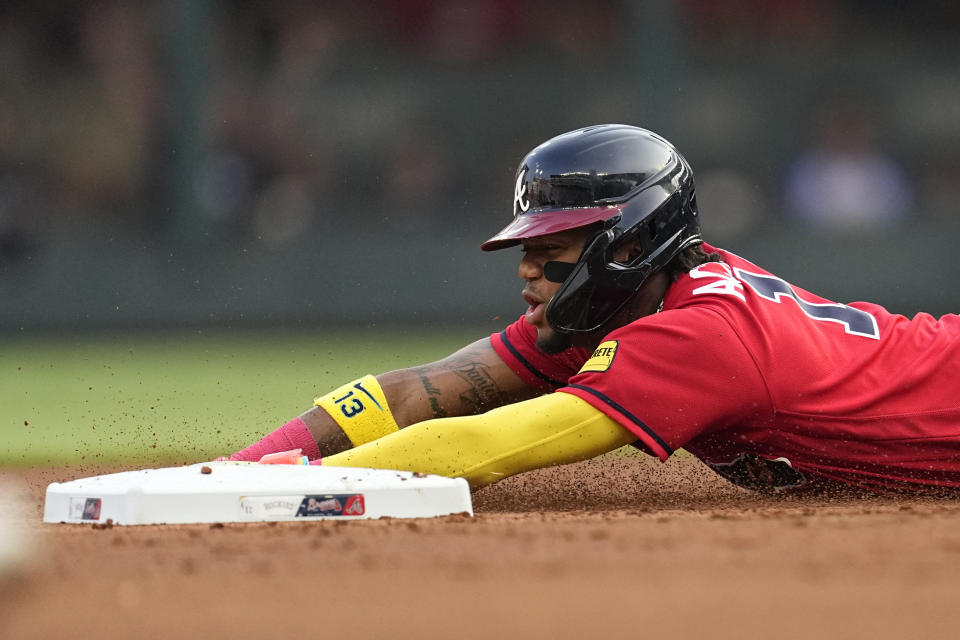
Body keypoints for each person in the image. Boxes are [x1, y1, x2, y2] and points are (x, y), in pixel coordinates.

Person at [221, 124, 960, 495]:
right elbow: (420, 392)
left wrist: (305, 485)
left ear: (631, 242)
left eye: (553, 249)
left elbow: (492, 444)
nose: (529, 272)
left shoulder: (700, 334)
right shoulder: (615, 308)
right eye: (525, 251)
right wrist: (235, 469)